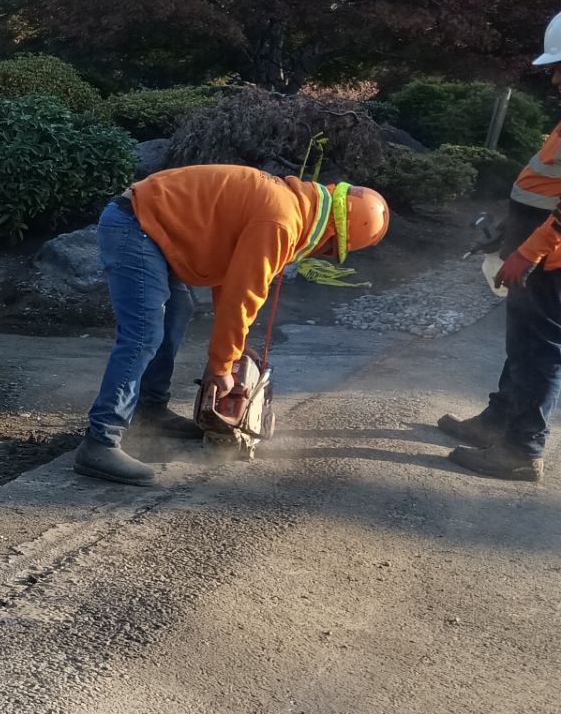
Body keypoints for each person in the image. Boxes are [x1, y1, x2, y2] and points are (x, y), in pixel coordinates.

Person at [78, 164, 391, 486]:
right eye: (332, 248)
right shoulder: (282, 221)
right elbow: (244, 294)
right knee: (144, 334)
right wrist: (221, 367)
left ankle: (149, 409)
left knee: (177, 310)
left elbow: (230, 281)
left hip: (147, 223)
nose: (324, 254)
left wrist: (232, 353)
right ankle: (100, 441)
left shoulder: (294, 206)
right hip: (135, 225)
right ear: (334, 231)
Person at [437, 12, 561, 484]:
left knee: (539, 348)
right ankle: (498, 422)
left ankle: (522, 448)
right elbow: (544, 186)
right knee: (522, 340)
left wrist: (528, 251)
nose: (552, 75)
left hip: (550, 257)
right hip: (538, 249)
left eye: (559, 64)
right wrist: (509, 229)